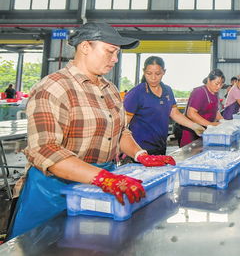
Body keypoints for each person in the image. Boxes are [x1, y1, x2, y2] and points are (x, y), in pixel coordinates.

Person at [8, 23, 176, 239]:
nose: (115, 59)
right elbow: (46, 150)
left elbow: (121, 132)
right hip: (54, 192)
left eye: (117, 53)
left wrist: (140, 154)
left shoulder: (110, 89)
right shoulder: (54, 87)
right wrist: (104, 179)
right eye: (110, 51)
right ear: (85, 47)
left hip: (97, 189)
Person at [124, 56, 204, 154]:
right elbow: (123, 122)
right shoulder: (137, 93)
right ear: (144, 72)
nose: (153, 77)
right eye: (149, 73)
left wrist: (195, 126)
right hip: (140, 148)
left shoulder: (167, 90)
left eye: (158, 73)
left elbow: (175, 113)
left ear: (164, 72)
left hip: (160, 144)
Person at [179, 69, 225, 147]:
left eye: (221, 85)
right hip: (192, 132)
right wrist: (210, 124)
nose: (219, 87)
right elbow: (191, 113)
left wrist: (225, 123)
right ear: (209, 80)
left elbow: (215, 112)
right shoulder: (199, 92)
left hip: (205, 132)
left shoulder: (215, 94)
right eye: (217, 84)